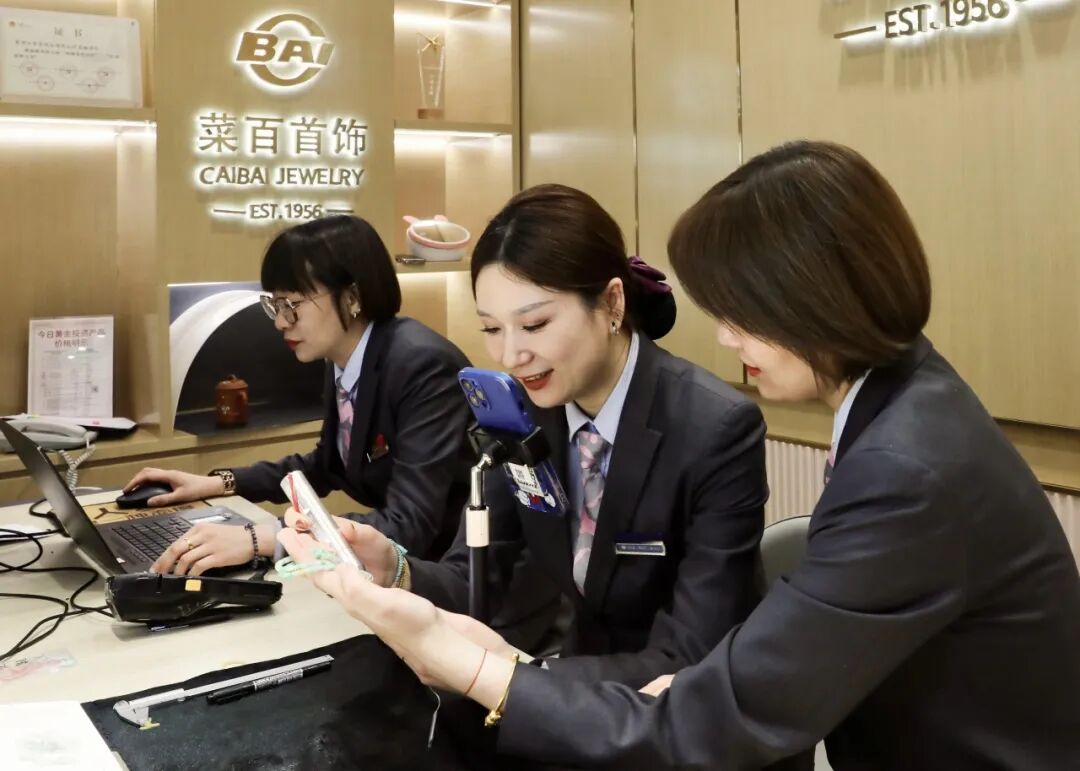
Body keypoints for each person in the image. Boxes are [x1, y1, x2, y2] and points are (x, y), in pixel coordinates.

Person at [279, 143, 1080, 770]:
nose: (725, 338)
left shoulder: (896, 464)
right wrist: (402, 572)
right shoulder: (904, 407)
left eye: (740, 312)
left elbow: (719, 703)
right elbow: (498, 574)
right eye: (493, 329)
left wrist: (484, 668)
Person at [288, 183, 771, 690]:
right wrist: (394, 567)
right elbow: (474, 576)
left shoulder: (714, 428)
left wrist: (519, 677)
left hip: (684, 707)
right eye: (492, 329)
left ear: (611, 302)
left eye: (535, 324)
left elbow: (690, 653)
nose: (511, 356)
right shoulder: (522, 415)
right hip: (577, 686)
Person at [127, 215, 473, 575]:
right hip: (400, 567)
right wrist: (218, 483)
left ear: (352, 297)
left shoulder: (422, 364)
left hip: (454, 573)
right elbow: (326, 467)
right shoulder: (343, 357)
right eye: (276, 305)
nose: (280, 322)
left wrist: (265, 537)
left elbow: (408, 523)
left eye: (292, 305)